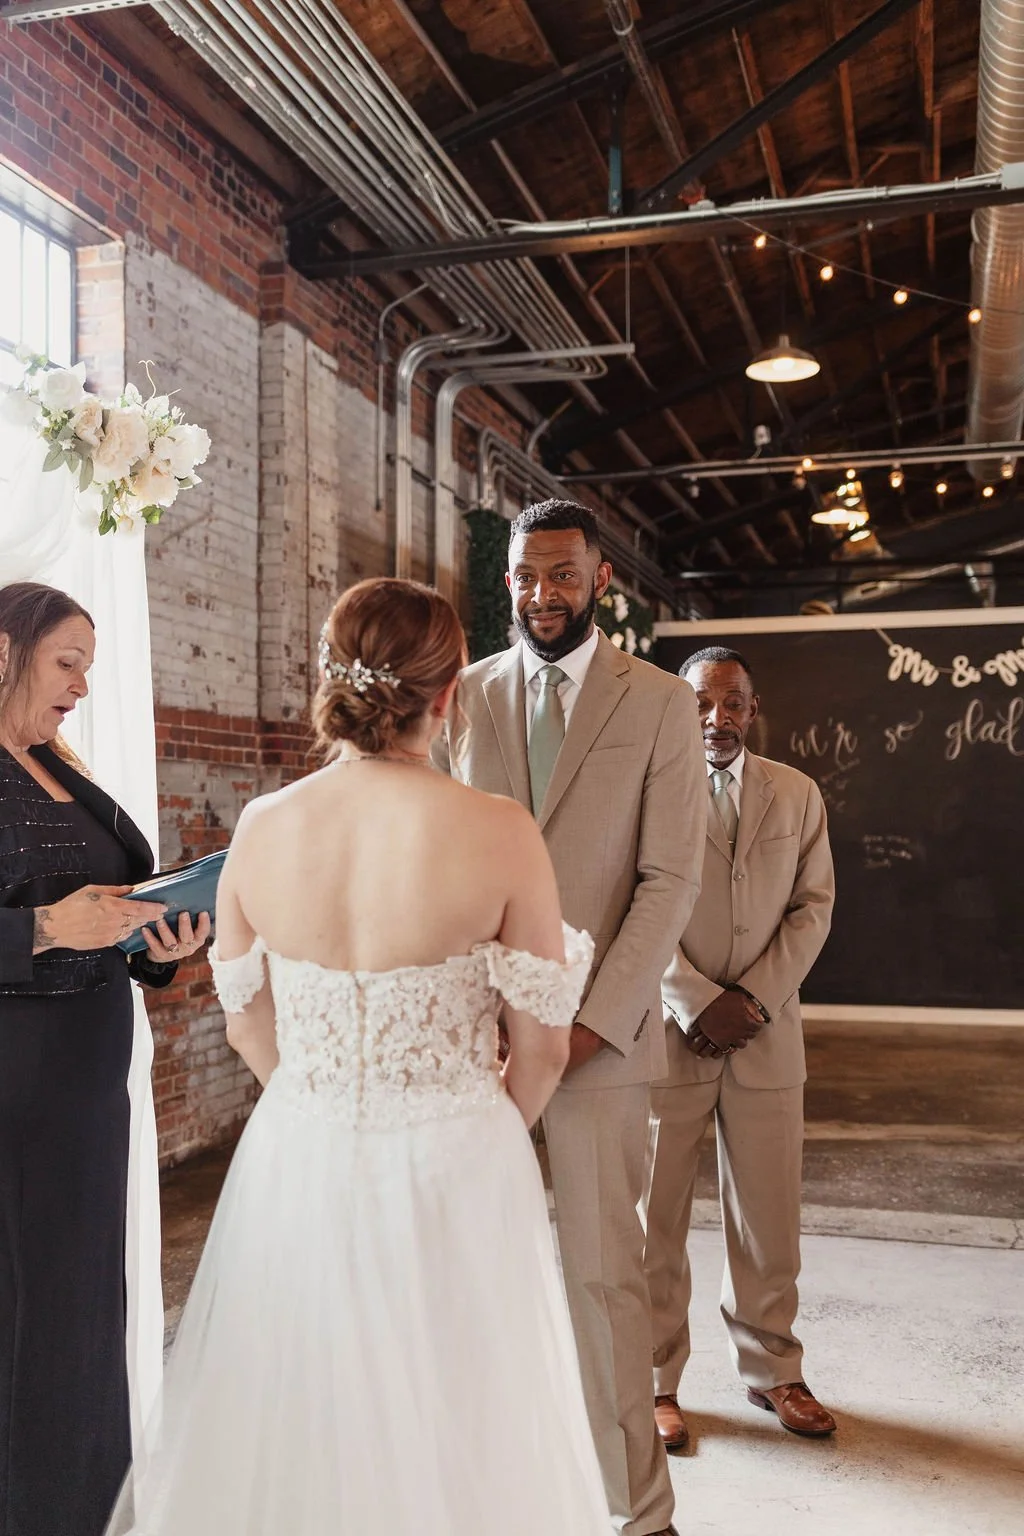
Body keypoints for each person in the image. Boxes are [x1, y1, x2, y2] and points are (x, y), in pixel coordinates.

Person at [107, 576, 611, 1536]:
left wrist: (317, 1104)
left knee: (297, 1394)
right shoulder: (500, 831)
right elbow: (541, 1047)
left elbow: (248, 1021)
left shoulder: (264, 826)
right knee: (456, 1408)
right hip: (456, 1159)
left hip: (300, 1150)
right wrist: (481, 1125)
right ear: (448, 691)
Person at [436, 502, 707, 1536]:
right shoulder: (465, 697)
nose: (539, 595)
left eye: (559, 575)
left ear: (600, 580)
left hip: (600, 1041)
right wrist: (483, 1015)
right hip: (474, 1040)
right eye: (523, 577)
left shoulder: (660, 704)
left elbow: (668, 877)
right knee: (470, 1272)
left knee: (603, 1278)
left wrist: (588, 1023)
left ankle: (637, 1512)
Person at [0, 582, 210, 1536]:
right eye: (67, 662)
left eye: (90, 665)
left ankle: (80, 1511)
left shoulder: (60, 767)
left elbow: (108, 911)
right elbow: (52, 918)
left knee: (81, 1312)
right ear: (5, 651)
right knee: (18, 1313)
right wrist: (46, 925)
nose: (82, 684)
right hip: (13, 1090)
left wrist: (152, 945)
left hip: (86, 1089)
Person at [644, 646, 837, 1450]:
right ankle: (654, 1381)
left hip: (764, 1037)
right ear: (678, 707)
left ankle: (774, 1373)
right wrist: (693, 998)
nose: (715, 719)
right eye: (699, 703)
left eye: (731, 705)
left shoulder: (796, 794)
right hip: (665, 1037)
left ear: (752, 710)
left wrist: (750, 1000)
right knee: (651, 1214)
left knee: (768, 1216)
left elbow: (813, 908)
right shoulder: (648, 792)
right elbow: (630, 909)